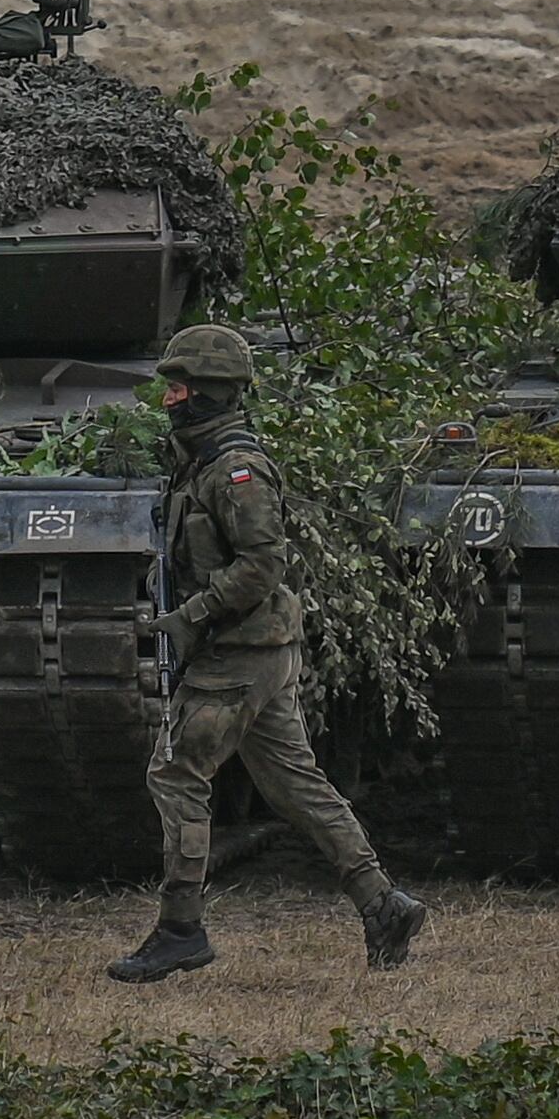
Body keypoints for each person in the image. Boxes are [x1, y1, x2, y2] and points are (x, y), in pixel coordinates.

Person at [108, 323, 431, 983]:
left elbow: (264, 563)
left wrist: (189, 616)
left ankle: (180, 928)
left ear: (209, 393)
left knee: (176, 774)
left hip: (237, 653)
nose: (169, 400)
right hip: (256, 650)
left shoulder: (235, 470)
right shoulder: (201, 463)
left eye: (179, 387)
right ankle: (383, 902)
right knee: (294, 783)